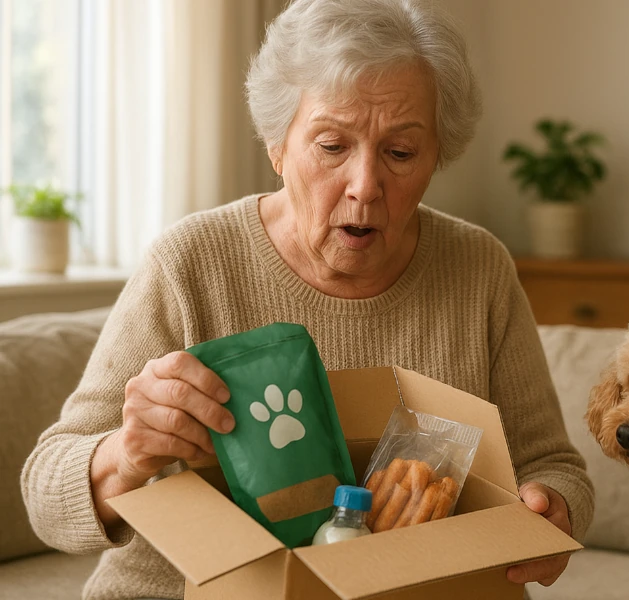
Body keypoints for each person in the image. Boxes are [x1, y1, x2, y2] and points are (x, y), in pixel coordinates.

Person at [20, 0, 594, 598]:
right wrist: (124, 453)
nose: (365, 185)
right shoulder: (190, 262)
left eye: (400, 153)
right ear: (277, 145)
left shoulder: (480, 269)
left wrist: (551, 511)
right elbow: (45, 496)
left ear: (437, 155)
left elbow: (553, 467)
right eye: (331, 146)